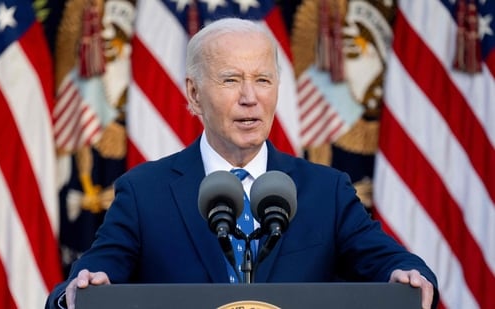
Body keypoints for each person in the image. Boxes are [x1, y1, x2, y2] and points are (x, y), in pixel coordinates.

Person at [46, 17, 438, 309]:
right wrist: (80, 290)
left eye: (263, 80)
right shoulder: (145, 191)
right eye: (231, 80)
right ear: (195, 94)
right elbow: (88, 278)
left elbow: (393, 263)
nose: (250, 97)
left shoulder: (326, 191)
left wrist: (407, 275)